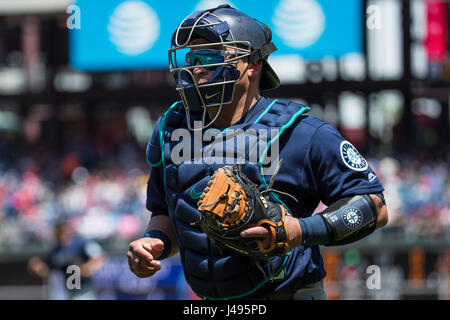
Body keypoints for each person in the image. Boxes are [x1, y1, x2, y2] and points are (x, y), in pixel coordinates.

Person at [127, 5, 388, 300]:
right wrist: (154, 241)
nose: (197, 68)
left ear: (251, 64)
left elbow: (374, 206)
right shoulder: (171, 130)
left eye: (210, 58)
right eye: (192, 58)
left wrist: (300, 231)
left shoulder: (301, 131)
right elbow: (165, 210)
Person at [28, 220, 105, 300]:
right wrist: (37, 267)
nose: (60, 234)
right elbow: (46, 271)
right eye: (58, 232)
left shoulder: (80, 242)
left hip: (85, 291)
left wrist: (87, 268)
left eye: (62, 230)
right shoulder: (55, 251)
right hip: (69, 292)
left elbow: (99, 257)